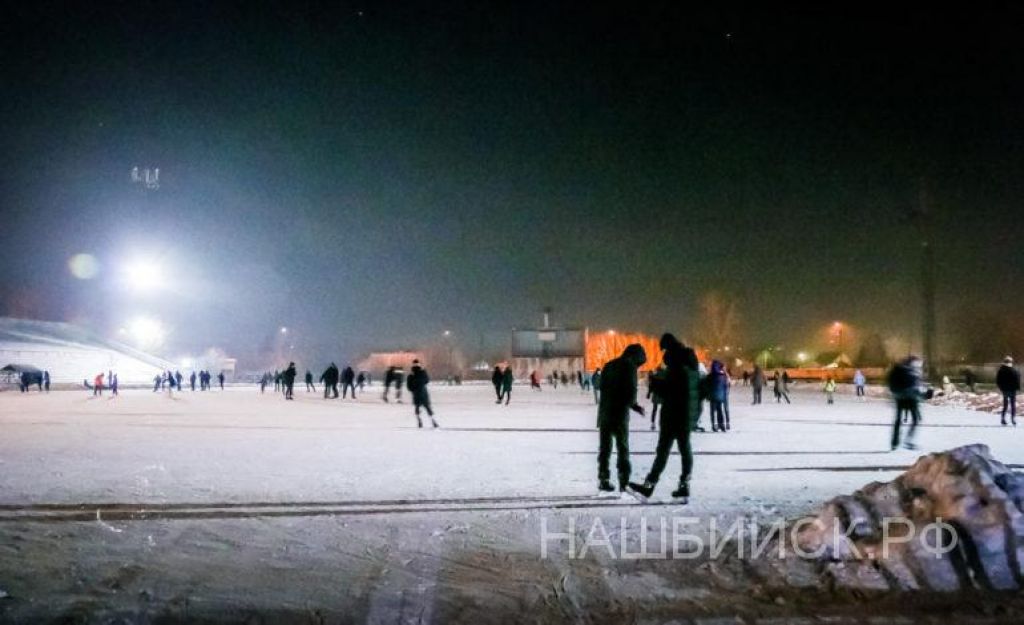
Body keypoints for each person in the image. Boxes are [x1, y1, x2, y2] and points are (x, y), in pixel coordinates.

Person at [629, 334, 698, 502]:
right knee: (685, 449)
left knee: (663, 451)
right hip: (687, 415)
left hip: (673, 415)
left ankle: (649, 486)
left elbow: (670, 391)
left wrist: (654, 383)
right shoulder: (691, 369)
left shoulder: (677, 369)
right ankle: (684, 486)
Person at [596, 344, 647, 493]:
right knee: (622, 448)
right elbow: (631, 392)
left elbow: (601, 386)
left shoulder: (609, 365)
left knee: (605, 448)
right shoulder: (629, 367)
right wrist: (635, 406)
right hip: (619, 414)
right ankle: (623, 481)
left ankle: (603, 479)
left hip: (605, 412)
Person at [889, 356, 929, 450]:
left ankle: (894, 442)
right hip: (910, 399)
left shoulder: (899, 369)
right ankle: (908, 441)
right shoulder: (912, 371)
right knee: (916, 419)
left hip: (899, 397)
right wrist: (924, 396)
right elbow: (914, 388)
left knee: (898, 420)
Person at [406, 360, 438, 428]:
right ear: (419, 364)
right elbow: (427, 381)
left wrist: (413, 389)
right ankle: (433, 421)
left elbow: (409, 387)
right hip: (423, 393)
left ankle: (419, 421)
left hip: (416, 394)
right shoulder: (423, 372)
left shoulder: (411, 375)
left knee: (417, 408)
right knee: (427, 407)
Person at [996, 356, 1020, 427]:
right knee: (1013, 405)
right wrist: (1017, 388)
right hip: (1012, 390)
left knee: (1005, 405)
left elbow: (998, 381)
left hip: (1005, 390)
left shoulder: (1001, 370)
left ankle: (1003, 418)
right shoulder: (1014, 370)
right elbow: (1017, 380)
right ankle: (1013, 419)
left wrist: (1001, 388)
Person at [709, 360, 730, 431]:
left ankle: (714, 425)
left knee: (712, 411)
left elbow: (707, 386)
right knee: (720, 410)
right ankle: (722, 424)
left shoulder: (711, 375)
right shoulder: (723, 376)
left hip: (712, 396)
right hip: (720, 396)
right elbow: (726, 386)